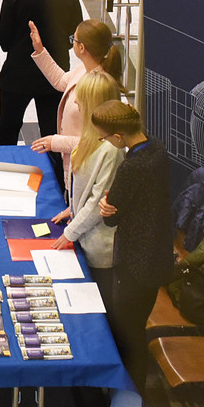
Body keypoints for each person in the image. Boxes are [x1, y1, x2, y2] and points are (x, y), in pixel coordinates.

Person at [93, 100, 174, 389]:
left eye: (104, 137)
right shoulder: (158, 149)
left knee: (129, 332)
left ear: (118, 137)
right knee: (135, 326)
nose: (104, 141)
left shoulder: (131, 168)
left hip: (135, 262)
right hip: (157, 255)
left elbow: (111, 217)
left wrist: (105, 206)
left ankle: (130, 391)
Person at [0, 0, 90, 180]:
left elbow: (3, 41)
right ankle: (58, 183)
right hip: (54, 76)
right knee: (53, 134)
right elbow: (74, 34)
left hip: (17, 74)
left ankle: (0, 176)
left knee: (7, 129)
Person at [27, 17, 124, 193]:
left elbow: (98, 141)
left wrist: (56, 142)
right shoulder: (84, 69)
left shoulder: (98, 89)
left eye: (74, 39)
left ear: (82, 48)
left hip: (85, 168)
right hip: (74, 162)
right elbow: (61, 81)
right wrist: (40, 50)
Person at [48, 73, 125, 288]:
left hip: (98, 251)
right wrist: (73, 208)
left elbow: (97, 201)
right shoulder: (89, 138)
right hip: (82, 235)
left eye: (80, 100)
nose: (76, 104)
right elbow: (83, 187)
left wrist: (70, 233)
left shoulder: (111, 150)